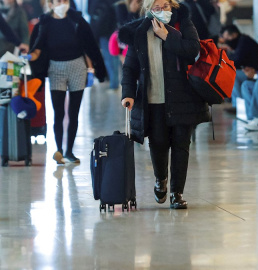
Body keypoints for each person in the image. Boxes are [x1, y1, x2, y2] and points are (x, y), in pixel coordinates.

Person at [119, 0, 210, 209]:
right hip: (153, 99)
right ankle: (161, 179)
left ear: (173, 7)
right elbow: (130, 68)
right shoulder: (139, 32)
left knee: (181, 146)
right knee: (158, 144)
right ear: (148, 10)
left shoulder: (183, 24)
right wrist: (128, 94)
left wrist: (168, 37)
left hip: (183, 97)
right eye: (156, 8)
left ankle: (177, 193)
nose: (162, 11)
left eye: (166, 6)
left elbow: (193, 49)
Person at [28, 0, 106, 164]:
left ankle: (69, 151)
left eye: (64, 0)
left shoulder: (77, 20)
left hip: (77, 66)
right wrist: (28, 57)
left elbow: (90, 45)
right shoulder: (44, 23)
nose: (62, 3)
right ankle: (59, 150)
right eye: (58, 1)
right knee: (58, 113)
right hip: (55, 68)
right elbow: (37, 46)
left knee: (74, 112)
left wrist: (95, 70)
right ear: (50, 4)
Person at [220, 24, 258, 114]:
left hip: (257, 72)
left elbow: (236, 61)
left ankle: (238, 106)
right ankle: (237, 105)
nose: (227, 41)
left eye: (228, 37)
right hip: (250, 71)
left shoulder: (244, 41)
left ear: (234, 34)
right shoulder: (241, 41)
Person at [89, 0, 120, 90]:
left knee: (110, 59)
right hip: (111, 30)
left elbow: (91, 11)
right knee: (113, 58)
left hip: (105, 31)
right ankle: (114, 83)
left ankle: (114, 84)